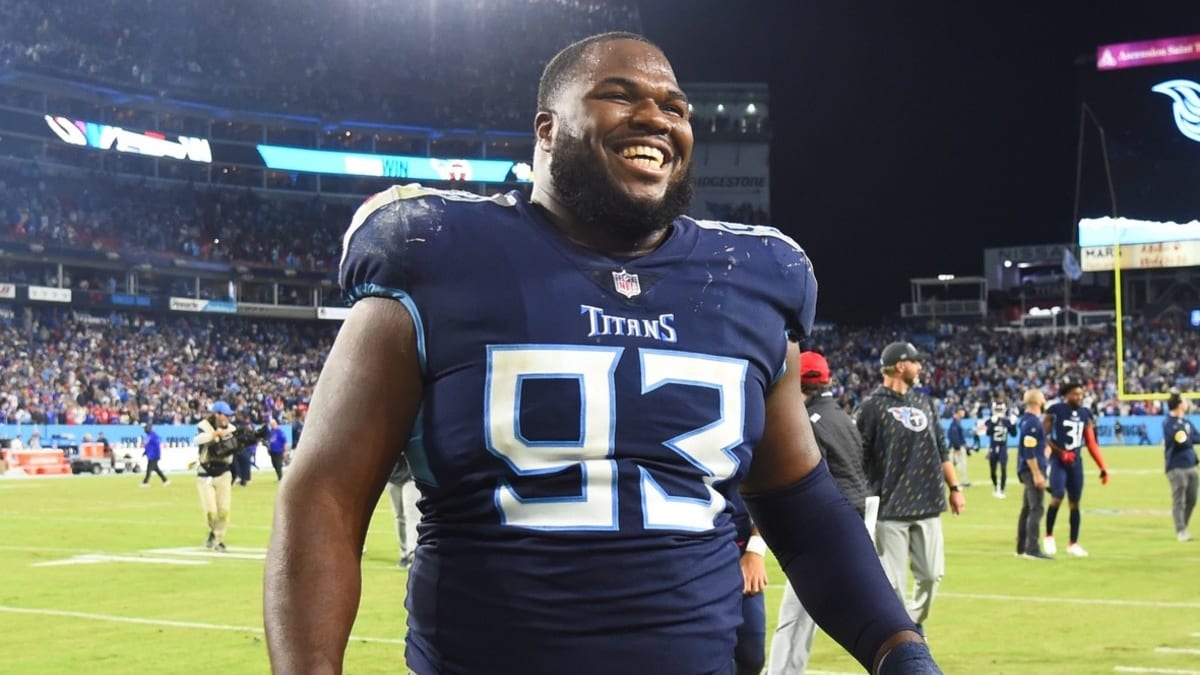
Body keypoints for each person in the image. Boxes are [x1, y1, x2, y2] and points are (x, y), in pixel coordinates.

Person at [264, 32, 938, 675]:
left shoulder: (752, 278)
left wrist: (899, 648)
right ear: (547, 129)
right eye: (619, 95)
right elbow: (325, 494)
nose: (656, 117)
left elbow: (801, 505)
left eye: (675, 106)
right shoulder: (434, 254)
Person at [767, 351, 872, 675]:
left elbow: (813, 484)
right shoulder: (842, 417)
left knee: (795, 618)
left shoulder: (806, 422)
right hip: (856, 522)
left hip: (827, 531)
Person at [859, 341, 966, 636]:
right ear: (900, 366)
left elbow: (942, 449)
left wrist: (955, 487)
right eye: (916, 362)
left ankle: (912, 621)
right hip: (889, 507)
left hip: (928, 502)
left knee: (932, 575)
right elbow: (859, 455)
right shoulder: (871, 406)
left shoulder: (924, 403)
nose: (920, 367)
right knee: (892, 584)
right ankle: (903, 636)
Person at [1043, 381, 1109, 557]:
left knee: (1075, 503)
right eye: (1075, 394)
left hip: (1075, 462)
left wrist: (1103, 467)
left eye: (1081, 394)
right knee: (1057, 496)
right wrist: (1060, 452)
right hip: (1058, 460)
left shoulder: (1085, 413)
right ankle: (1048, 536)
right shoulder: (1055, 410)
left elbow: (1091, 443)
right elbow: (1044, 436)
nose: (1079, 397)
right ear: (1067, 395)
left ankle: (1073, 543)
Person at [194, 400, 238, 552]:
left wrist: (226, 438)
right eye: (224, 415)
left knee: (224, 510)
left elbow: (233, 448)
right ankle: (213, 532)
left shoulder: (232, 429)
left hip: (223, 472)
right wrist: (215, 434)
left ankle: (219, 540)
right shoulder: (203, 426)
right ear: (216, 414)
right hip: (205, 473)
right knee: (211, 512)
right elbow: (197, 440)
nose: (227, 418)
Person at [1015, 389, 1052, 559]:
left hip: (1028, 468)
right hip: (1031, 470)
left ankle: (1022, 547)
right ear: (1037, 401)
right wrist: (1037, 473)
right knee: (1036, 508)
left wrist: (1044, 451)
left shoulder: (1026, 421)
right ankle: (1032, 548)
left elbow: (1032, 447)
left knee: (1027, 508)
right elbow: (1029, 450)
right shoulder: (1032, 423)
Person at [1162, 393, 1198, 542]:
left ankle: (1184, 526)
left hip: (1191, 464)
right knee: (1179, 500)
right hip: (1176, 465)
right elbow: (1181, 440)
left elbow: (1196, 437)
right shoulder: (1169, 422)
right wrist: (1188, 438)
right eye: (1183, 401)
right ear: (1178, 404)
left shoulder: (1186, 422)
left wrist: (1187, 437)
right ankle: (1181, 530)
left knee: (1192, 499)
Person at [386, 456, 420, 568]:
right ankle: (404, 554)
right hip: (393, 476)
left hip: (411, 475)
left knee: (410, 514)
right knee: (399, 516)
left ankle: (413, 552)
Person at [983, 402, 1014, 498]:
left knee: (1003, 468)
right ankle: (996, 487)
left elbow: (1014, 434)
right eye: (997, 410)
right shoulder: (990, 420)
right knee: (993, 470)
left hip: (1003, 447)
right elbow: (988, 433)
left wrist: (1013, 424)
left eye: (1000, 410)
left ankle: (1002, 489)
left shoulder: (1007, 421)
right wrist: (992, 423)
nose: (999, 412)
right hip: (993, 447)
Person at [946, 408, 971, 489]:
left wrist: (964, 444)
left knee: (954, 464)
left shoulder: (956, 422)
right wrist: (957, 448)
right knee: (961, 464)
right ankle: (961, 481)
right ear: (957, 413)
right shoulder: (955, 423)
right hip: (956, 448)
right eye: (961, 412)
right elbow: (953, 436)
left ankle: (958, 481)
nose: (963, 414)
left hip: (956, 447)